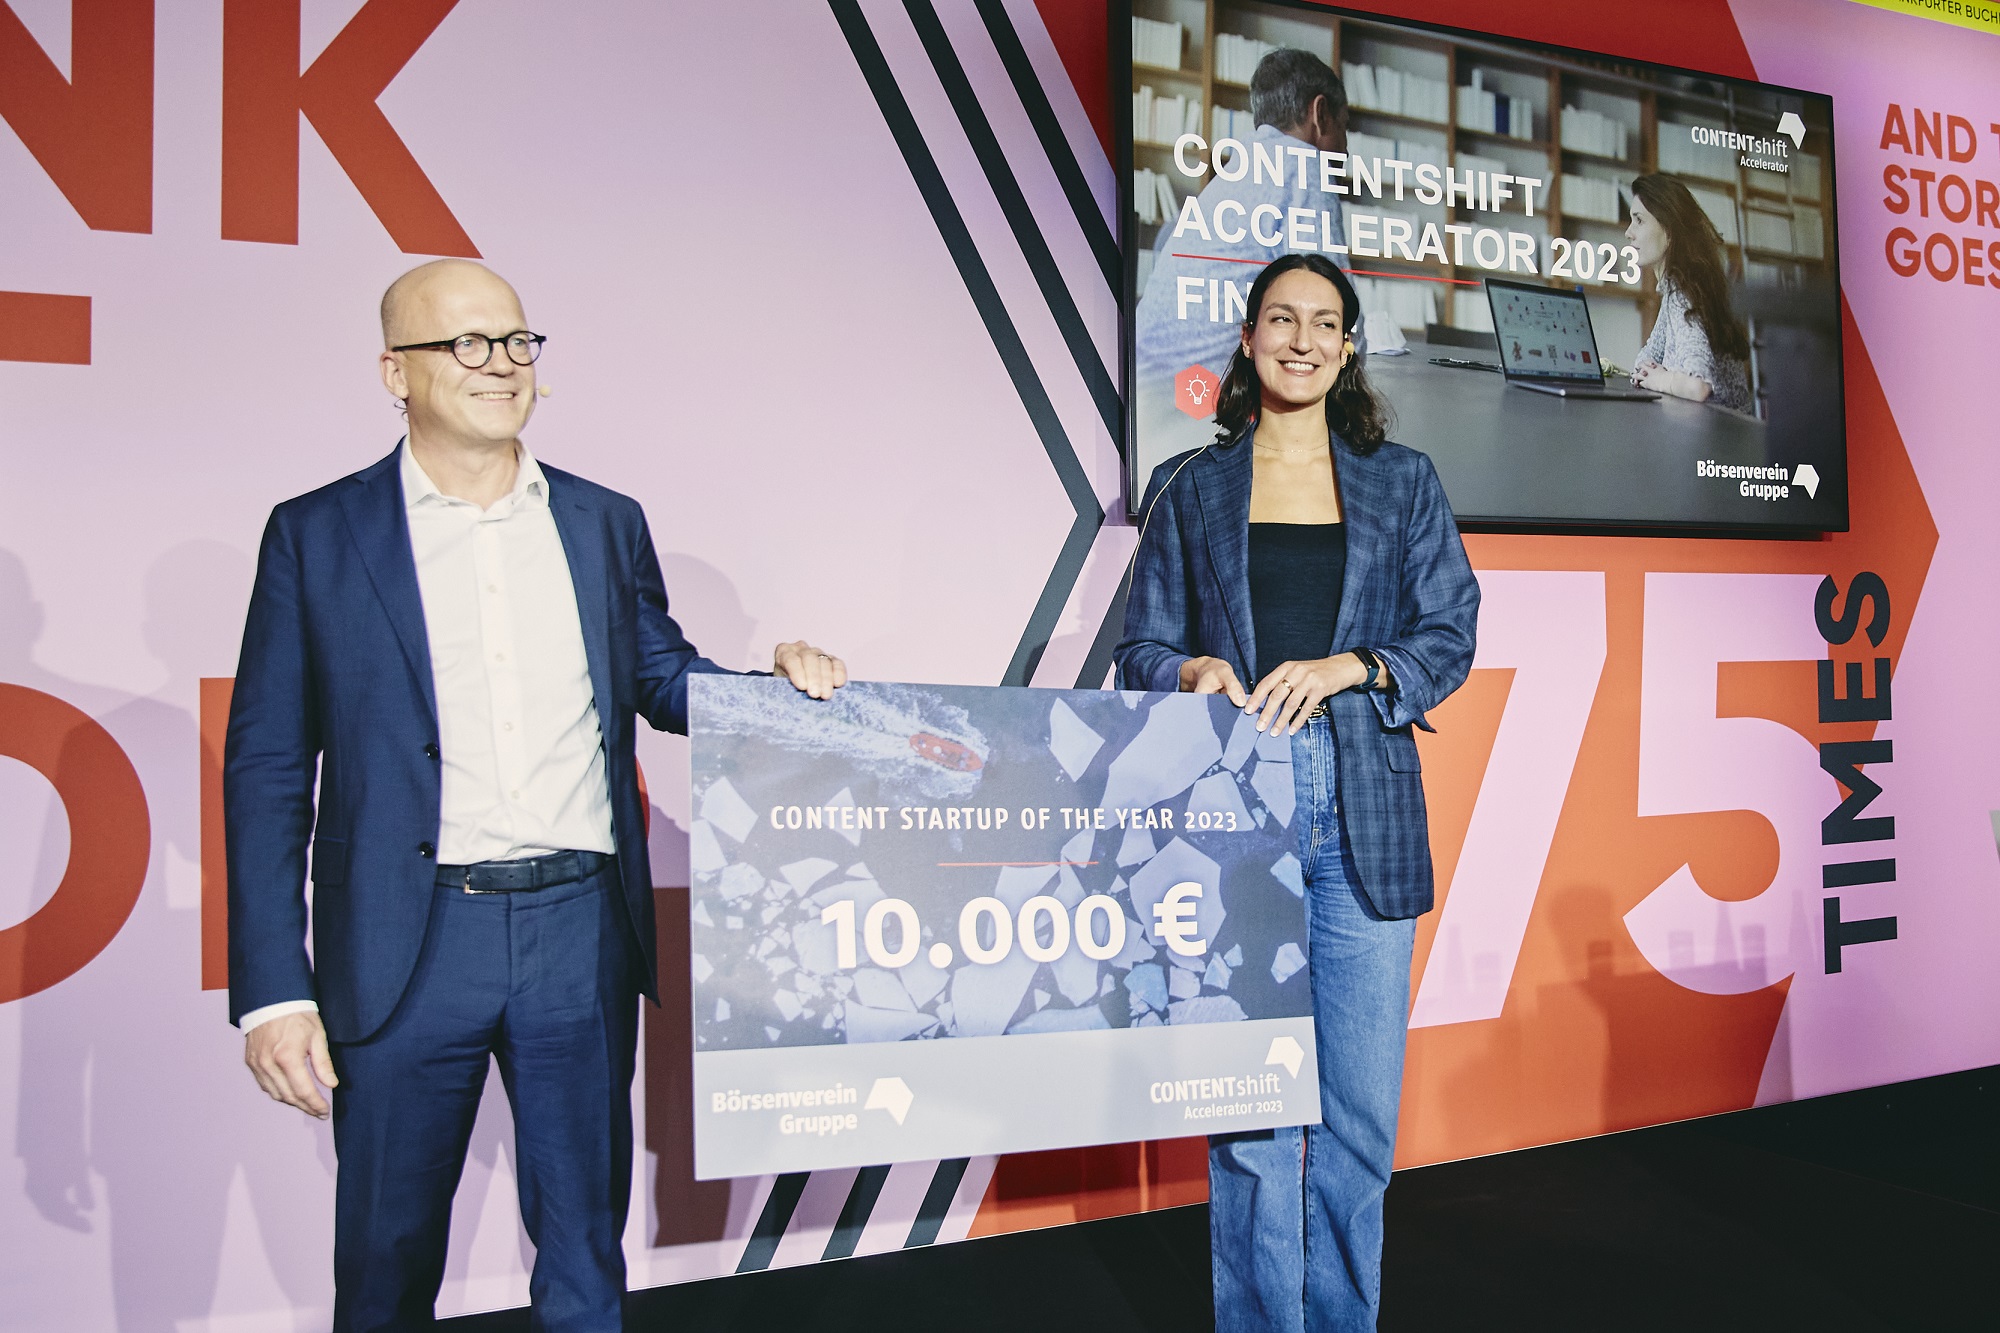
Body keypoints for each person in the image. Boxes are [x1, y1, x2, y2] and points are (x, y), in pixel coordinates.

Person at [225, 258, 847, 1331]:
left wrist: (779, 694)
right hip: (408, 940)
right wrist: (274, 990)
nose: (500, 364)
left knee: (583, 1251)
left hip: (579, 934)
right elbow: (269, 767)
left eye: (516, 341)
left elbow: (661, 677)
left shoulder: (602, 520)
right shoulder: (316, 534)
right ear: (395, 372)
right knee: (383, 1258)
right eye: (466, 343)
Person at [1114, 253, 1478, 1332]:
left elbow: (1447, 633)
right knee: (1252, 1117)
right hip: (1237, 812)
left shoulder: (1401, 480)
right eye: (1282, 318)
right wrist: (1188, 670)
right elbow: (1138, 650)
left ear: (1349, 345)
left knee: (1358, 1121)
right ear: (1247, 337)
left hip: (1364, 805)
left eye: (1325, 322)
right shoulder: (1190, 484)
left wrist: (1351, 666)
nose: (1302, 339)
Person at [1625, 173, 1753, 412]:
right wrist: (1651, 372)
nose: (1629, 232)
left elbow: (1698, 386)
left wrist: (1662, 379)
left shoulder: (1683, 295)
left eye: (1639, 221)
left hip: (1718, 432)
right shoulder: (1685, 285)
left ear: (1669, 232)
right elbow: (1647, 357)